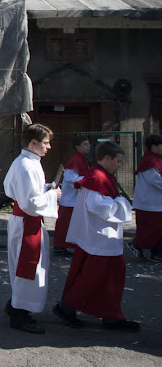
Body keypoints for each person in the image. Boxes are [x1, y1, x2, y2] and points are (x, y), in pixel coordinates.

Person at [53, 141, 140, 332]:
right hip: (99, 238)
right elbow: (97, 206)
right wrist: (122, 203)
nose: (119, 165)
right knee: (94, 278)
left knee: (107, 278)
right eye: (118, 161)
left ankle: (110, 315)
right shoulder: (98, 177)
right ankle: (68, 307)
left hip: (99, 236)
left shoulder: (99, 175)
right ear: (107, 158)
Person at [3, 123, 61, 334]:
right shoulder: (26, 166)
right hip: (26, 221)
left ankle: (17, 305)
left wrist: (46, 189)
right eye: (46, 143)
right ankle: (19, 313)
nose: (48, 147)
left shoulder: (27, 162)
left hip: (28, 221)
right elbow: (29, 203)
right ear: (33, 143)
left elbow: (21, 191)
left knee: (28, 267)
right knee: (28, 268)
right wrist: (52, 195)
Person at [54, 136, 91, 257]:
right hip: (70, 199)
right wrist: (88, 180)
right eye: (85, 144)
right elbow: (71, 179)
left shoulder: (82, 159)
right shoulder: (75, 161)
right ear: (77, 147)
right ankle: (60, 246)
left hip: (75, 199)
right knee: (65, 224)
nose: (88, 146)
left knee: (71, 224)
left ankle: (69, 245)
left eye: (88, 144)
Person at [128, 134, 162, 262]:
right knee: (153, 229)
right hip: (150, 203)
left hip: (155, 202)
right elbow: (155, 180)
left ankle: (157, 253)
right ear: (154, 146)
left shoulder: (155, 159)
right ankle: (137, 244)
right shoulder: (150, 161)